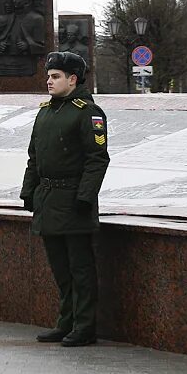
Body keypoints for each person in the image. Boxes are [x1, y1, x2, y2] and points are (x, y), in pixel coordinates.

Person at [19, 51, 109, 347]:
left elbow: (97, 159)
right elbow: (35, 157)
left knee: (80, 269)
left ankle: (84, 326)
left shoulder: (88, 112)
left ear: (73, 79)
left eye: (55, 76)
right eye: (48, 76)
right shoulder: (46, 111)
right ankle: (65, 322)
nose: (49, 81)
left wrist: (84, 197)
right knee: (60, 268)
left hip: (73, 201)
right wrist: (28, 191)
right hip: (48, 200)